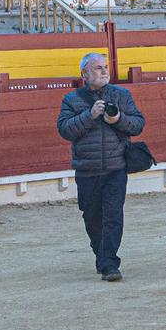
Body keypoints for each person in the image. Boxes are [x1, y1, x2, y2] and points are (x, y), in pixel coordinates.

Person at [56, 53, 146, 281]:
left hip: (116, 167)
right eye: (98, 68)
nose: (104, 71)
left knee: (113, 216)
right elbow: (65, 130)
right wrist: (90, 115)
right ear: (84, 74)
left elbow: (138, 125)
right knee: (92, 217)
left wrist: (118, 120)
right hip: (87, 170)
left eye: (105, 67)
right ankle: (102, 255)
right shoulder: (72, 99)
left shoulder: (122, 95)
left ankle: (109, 264)